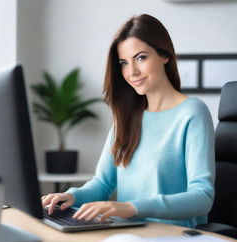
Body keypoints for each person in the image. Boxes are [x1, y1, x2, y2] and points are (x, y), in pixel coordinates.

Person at [42, 14, 215, 228]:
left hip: (172, 237)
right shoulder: (128, 115)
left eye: (141, 57)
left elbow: (202, 196)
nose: (131, 71)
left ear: (165, 55)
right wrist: (72, 197)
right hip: (127, 232)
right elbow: (103, 183)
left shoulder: (192, 113)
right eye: (124, 63)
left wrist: (132, 207)